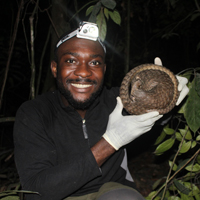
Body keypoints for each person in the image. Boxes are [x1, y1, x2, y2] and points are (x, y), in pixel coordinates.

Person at [13, 22, 189, 200]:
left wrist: (168, 98)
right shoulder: (34, 113)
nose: (84, 72)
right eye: (71, 61)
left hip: (111, 191)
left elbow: (148, 107)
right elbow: (34, 194)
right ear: (55, 68)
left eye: (94, 62)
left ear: (104, 70)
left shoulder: (118, 101)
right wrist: (111, 141)